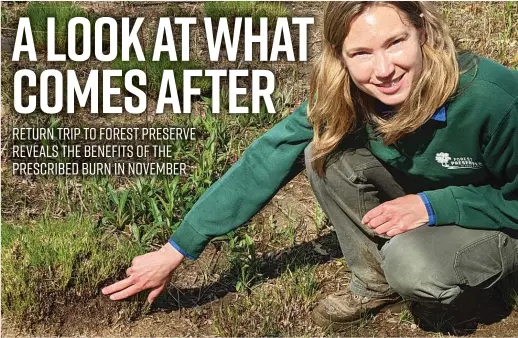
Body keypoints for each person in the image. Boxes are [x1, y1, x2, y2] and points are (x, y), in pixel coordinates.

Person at [102, 1, 518, 331]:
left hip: (501, 217)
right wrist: (176, 249)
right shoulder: (346, 93)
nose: (384, 70)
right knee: (323, 151)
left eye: (396, 42)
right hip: (439, 198)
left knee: (413, 267)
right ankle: (374, 284)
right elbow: (269, 156)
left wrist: (434, 207)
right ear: (340, 57)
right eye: (361, 53)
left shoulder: (492, 98)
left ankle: (488, 283)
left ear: (423, 32)